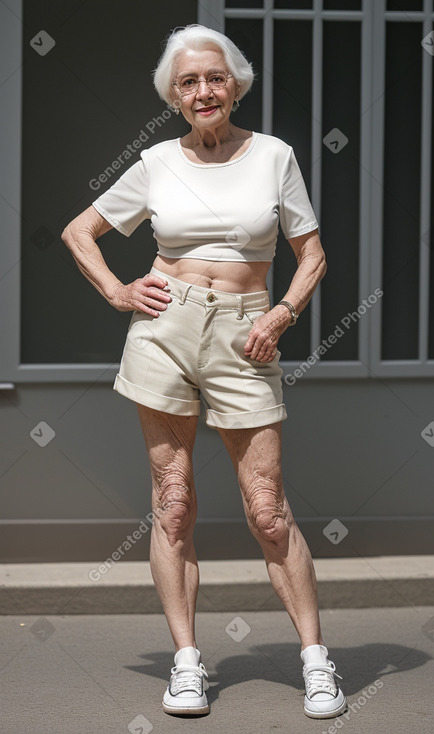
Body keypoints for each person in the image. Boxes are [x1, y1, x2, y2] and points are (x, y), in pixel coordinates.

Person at [62, 23, 347, 721]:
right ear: (174, 95)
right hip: (164, 331)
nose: (203, 90)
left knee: (268, 512)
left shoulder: (272, 155)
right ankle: (186, 663)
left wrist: (279, 315)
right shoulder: (156, 161)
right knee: (173, 502)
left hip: (247, 332)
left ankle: (316, 661)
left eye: (213, 78)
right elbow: (78, 232)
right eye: (187, 82)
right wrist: (118, 291)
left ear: (235, 83)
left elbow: (311, 255)